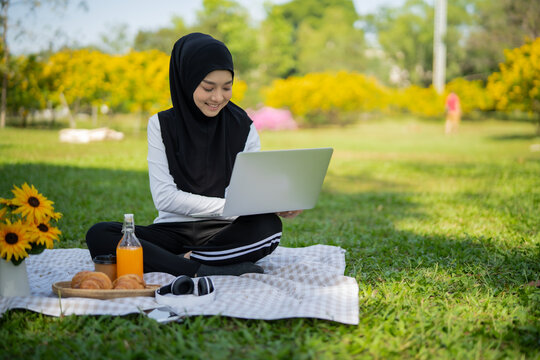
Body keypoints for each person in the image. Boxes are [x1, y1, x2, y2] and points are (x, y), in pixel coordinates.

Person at [86, 33, 301, 277]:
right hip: (171, 231)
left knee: (269, 227)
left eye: (227, 87)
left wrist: (273, 205)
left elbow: (245, 193)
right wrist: (233, 206)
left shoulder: (244, 126)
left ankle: (179, 262)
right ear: (186, 81)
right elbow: (166, 199)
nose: (218, 97)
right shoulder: (161, 124)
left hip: (224, 231)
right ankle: (202, 266)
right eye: (208, 87)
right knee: (100, 235)